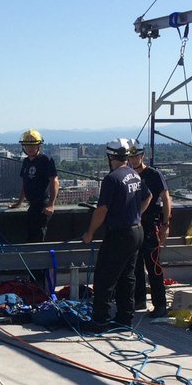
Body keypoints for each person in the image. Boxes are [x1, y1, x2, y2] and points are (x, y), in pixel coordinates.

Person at [81, 138, 152, 330]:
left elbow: (102, 210)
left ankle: (100, 320)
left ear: (110, 156)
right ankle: (124, 318)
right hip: (136, 231)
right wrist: (135, 213)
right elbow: (148, 196)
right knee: (127, 277)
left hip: (119, 234)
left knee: (105, 277)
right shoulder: (134, 175)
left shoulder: (112, 179)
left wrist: (89, 233)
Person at [127, 140, 171, 318]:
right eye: (131, 156)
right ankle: (139, 300)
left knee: (153, 265)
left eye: (137, 155)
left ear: (142, 156)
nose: (134, 159)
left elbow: (166, 199)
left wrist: (165, 225)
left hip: (150, 225)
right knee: (135, 264)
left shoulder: (153, 174)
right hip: (134, 225)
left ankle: (160, 305)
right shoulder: (127, 175)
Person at [9, 129, 59, 243]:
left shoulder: (46, 160)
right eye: (27, 145)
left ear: (38, 145)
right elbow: (25, 184)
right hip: (33, 206)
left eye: (33, 145)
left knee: (38, 236)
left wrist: (51, 204)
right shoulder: (26, 161)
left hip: (43, 205)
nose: (30, 148)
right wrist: (19, 203)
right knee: (30, 236)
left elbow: (55, 181)